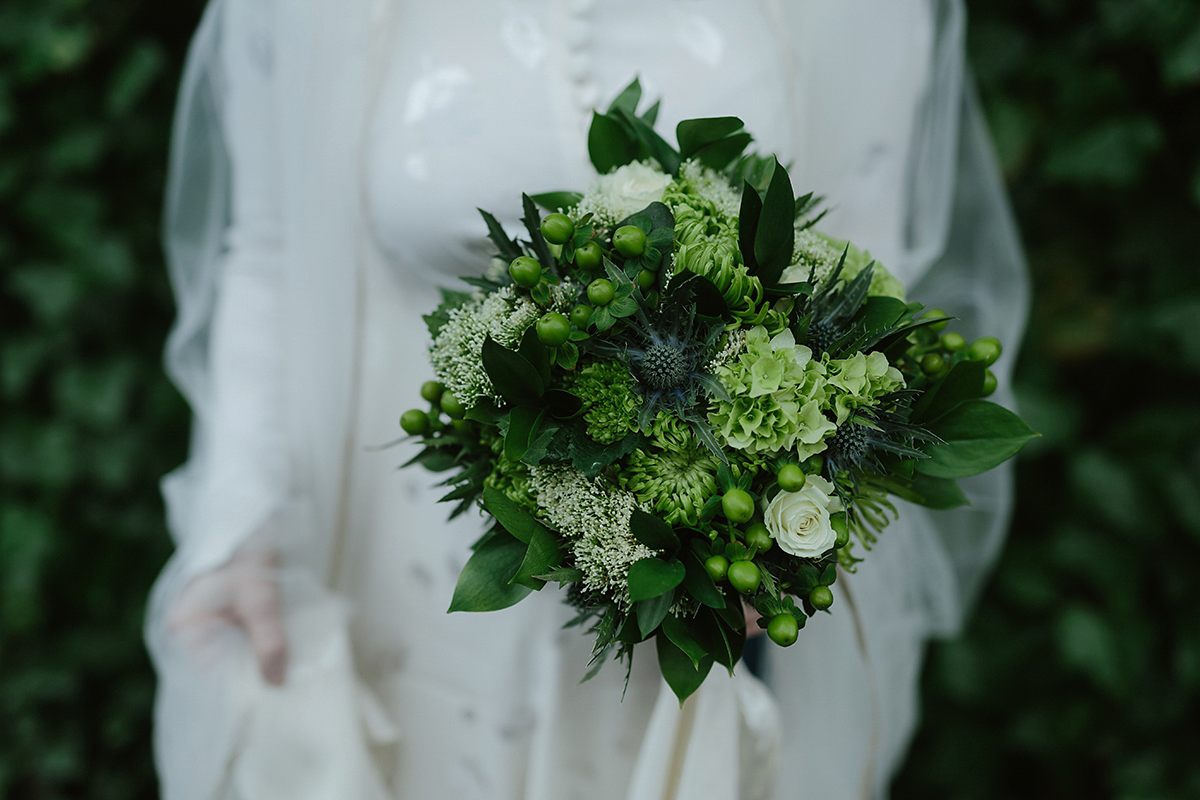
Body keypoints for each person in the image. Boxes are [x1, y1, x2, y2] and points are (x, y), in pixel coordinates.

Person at [148, 1, 1029, 798]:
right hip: (396, 565)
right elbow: (269, 250)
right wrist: (240, 525)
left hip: (688, 609)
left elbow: (866, 267)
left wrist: (792, 524)